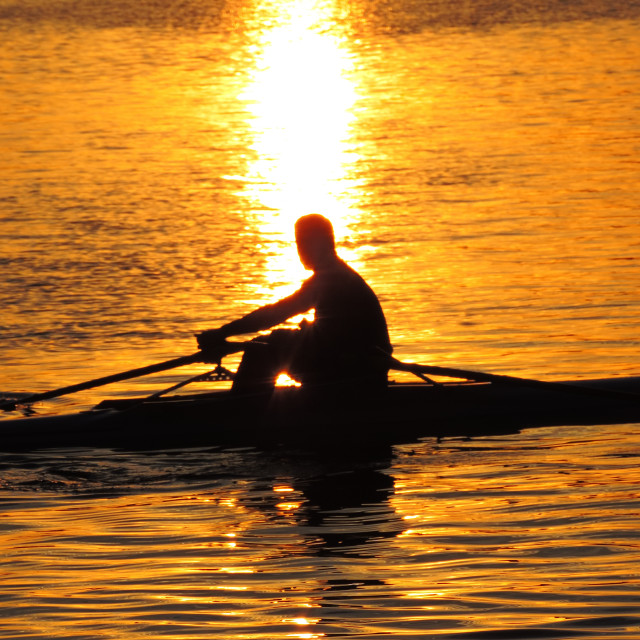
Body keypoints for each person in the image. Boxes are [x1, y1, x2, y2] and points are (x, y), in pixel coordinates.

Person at [197, 214, 392, 397]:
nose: (300, 250)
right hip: (354, 365)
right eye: (299, 243)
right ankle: (255, 403)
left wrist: (222, 333)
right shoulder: (337, 274)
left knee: (262, 348)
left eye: (304, 243)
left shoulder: (333, 278)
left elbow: (277, 313)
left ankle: (243, 413)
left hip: (356, 372)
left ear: (323, 244)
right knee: (275, 340)